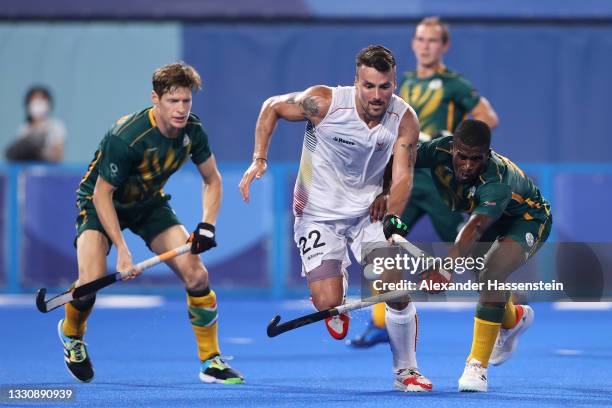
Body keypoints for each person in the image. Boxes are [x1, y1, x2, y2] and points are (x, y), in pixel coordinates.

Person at [239, 45, 432, 392]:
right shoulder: (324, 103)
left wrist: (391, 214)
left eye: (385, 86)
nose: (377, 95)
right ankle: (336, 299)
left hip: (367, 212)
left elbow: (403, 176)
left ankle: (407, 371)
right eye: (369, 86)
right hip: (316, 214)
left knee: (394, 288)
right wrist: (259, 158)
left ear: (394, 83)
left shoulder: (405, 119)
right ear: (355, 81)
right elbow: (271, 107)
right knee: (327, 304)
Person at [57, 62, 244, 385]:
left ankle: (210, 361)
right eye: (173, 101)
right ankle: (72, 335)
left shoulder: (193, 132)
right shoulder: (127, 137)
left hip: (148, 203)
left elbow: (212, 180)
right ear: (155, 99)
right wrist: (122, 250)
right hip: (100, 203)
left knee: (197, 275)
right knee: (89, 283)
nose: (181, 109)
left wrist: (207, 225)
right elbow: (103, 195)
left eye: (186, 101)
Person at [349, 16, 499, 349]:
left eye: (432, 40)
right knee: (381, 243)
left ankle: (501, 304)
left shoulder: (453, 83)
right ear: (414, 43)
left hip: (440, 182)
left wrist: (452, 143)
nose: (425, 45)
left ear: (444, 46)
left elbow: (488, 118)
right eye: (420, 39)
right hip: (405, 176)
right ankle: (378, 322)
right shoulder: (404, 82)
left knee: (469, 249)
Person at [415, 119, 552, 391]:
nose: (467, 166)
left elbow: (476, 227)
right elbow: (398, 159)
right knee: (482, 276)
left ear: (487, 156)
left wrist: (444, 268)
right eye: (462, 157)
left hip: (526, 220)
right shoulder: (438, 150)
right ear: (452, 148)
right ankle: (514, 319)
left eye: (476, 159)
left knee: (491, 274)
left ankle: (477, 366)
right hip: (487, 218)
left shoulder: (496, 181)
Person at [6, 85, 66, 162]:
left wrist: (39, 153)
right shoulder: (24, 128)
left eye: (42, 100)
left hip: (49, 172)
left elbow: (58, 156)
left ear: (48, 103)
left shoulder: (56, 126)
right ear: (28, 104)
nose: (38, 103)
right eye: (34, 100)